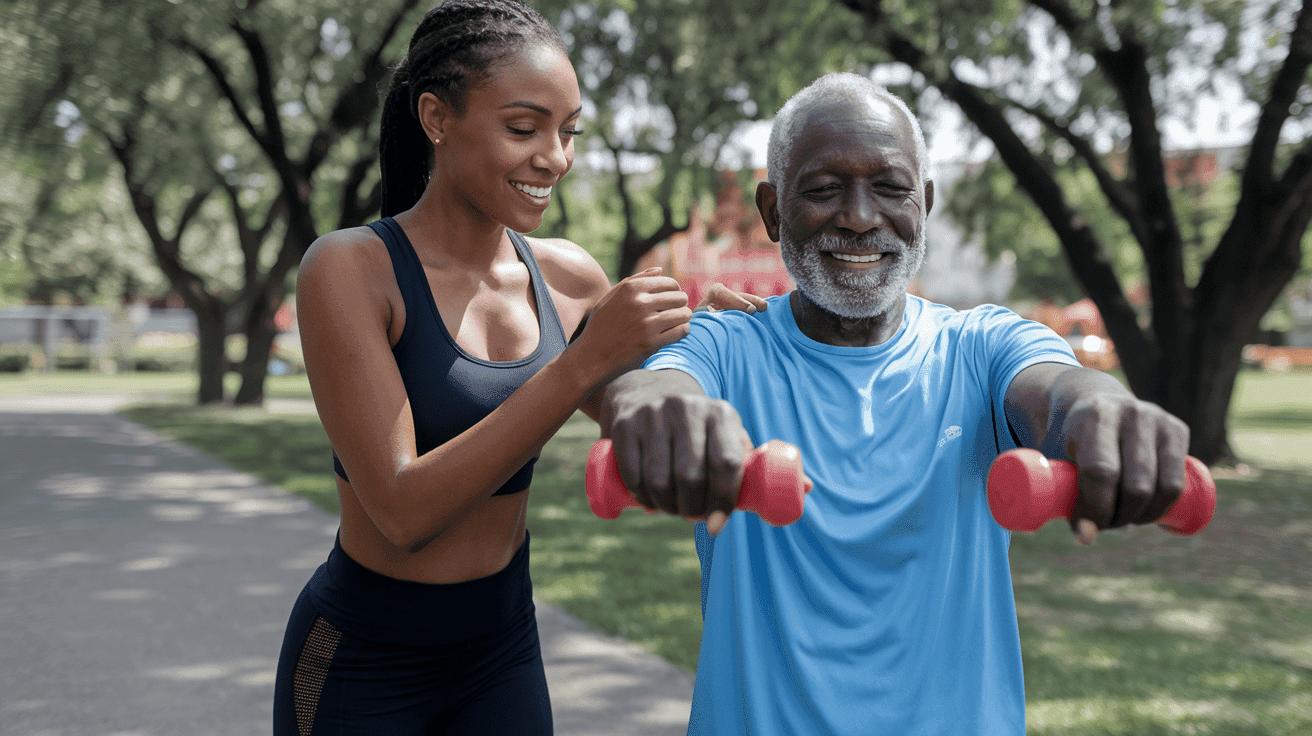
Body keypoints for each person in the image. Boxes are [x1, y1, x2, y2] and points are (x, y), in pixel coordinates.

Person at [599, 72, 1189, 735]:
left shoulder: (982, 343)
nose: (858, 216)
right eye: (823, 189)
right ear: (772, 210)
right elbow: (655, 386)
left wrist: (1101, 409)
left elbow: (1059, 389)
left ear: (925, 202)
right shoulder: (727, 344)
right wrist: (653, 406)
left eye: (890, 187)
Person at [271, 2, 764, 733]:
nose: (556, 159)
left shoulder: (567, 277)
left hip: (501, 649)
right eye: (524, 128)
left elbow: (645, 408)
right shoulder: (351, 268)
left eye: (569, 134)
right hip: (363, 658)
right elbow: (403, 510)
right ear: (436, 118)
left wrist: (716, 343)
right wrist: (582, 361)